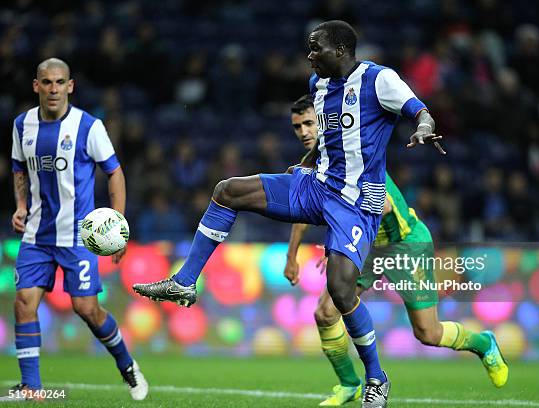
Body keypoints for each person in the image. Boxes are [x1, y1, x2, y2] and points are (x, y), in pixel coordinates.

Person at [134, 20, 441, 408]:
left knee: (342, 289)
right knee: (227, 191)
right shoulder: (319, 87)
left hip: (357, 201)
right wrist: (305, 163)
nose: (310, 56)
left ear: (341, 51)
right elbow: (331, 141)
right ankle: (184, 281)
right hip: (316, 187)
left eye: (317, 49)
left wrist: (425, 128)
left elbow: (419, 110)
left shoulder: (379, 80)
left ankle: (376, 378)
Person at [284, 96, 509, 406]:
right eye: (297, 126)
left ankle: (484, 343)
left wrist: (341, 241)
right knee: (325, 312)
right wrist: (291, 255)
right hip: (367, 245)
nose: (304, 131)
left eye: (309, 123)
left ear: (323, 122)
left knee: (428, 333)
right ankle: (349, 384)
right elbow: (303, 207)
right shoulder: (316, 164)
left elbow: (382, 206)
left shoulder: (351, 153)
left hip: (404, 242)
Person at [8, 58, 147, 400]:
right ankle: (32, 387)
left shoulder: (88, 126)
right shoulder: (21, 125)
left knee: (86, 309)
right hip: (37, 235)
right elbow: (18, 169)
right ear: (35, 86)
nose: (53, 89)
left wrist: (117, 226)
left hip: (77, 236)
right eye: (46, 82)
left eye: (59, 82)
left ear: (70, 86)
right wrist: (22, 206)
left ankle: (127, 364)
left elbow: (114, 172)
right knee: (24, 302)